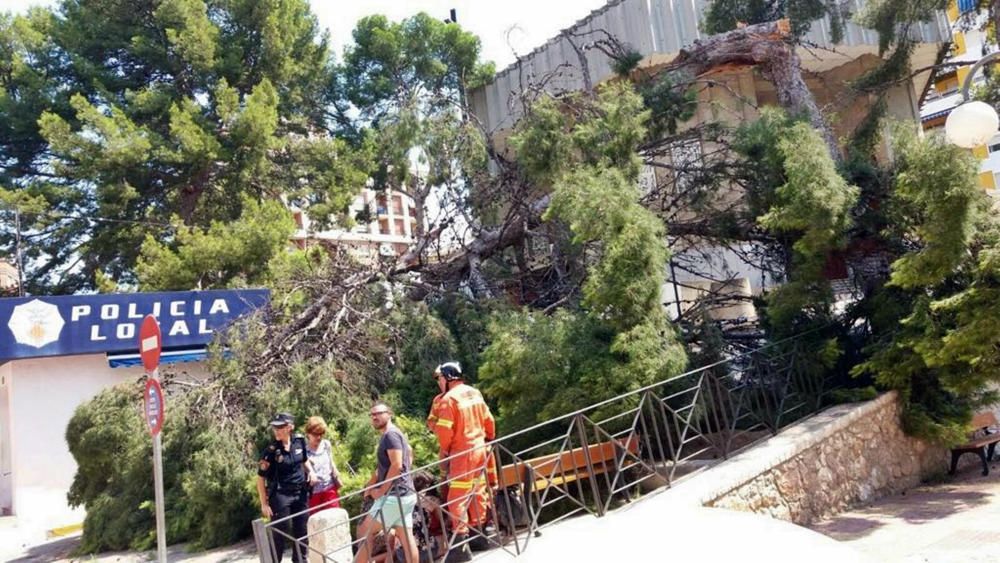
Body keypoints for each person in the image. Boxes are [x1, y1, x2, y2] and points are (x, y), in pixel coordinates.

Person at [428, 362, 497, 563]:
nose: (438, 381)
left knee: (457, 497)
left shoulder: (449, 400)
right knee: (477, 491)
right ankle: (479, 535)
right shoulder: (474, 393)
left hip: (463, 452)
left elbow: (444, 432)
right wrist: (489, 439)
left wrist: (446, 450)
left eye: (440, 378)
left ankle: (460, 544)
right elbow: (489, 421)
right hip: (480, 448)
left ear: (448, 377)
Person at [354, 402, 419, 563]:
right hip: (405, 494)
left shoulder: (390, 435)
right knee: (406, 536)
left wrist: (380, 490)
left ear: (389, 414)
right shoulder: (395, 434)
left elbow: (396, 465)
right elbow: (408, 453)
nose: (374, 417)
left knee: (364, 532)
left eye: (378, 413)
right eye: (372, 415)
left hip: (393, 497)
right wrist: (371, 483)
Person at [257, 412, 316, 563]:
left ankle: (300, 561)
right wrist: (264, 504)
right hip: (281, 495)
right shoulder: (270, 451)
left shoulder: (299, 441)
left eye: (280, 427)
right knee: (280, 532)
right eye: (275, 428)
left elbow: (304, 460)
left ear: (290, 427)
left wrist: (312, 472)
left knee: (302, 531)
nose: (276, 431)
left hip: (300, 492)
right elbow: (260, 478)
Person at [305, 415, 342, 511]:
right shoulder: (304, 451)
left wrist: (335, 471)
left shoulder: (326, 444)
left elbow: (330, 460)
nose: (319, 437)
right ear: (308, 433)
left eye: (321, 434)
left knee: (334, 516)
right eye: (315, 434)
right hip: (313, 493)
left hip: (329, 488)